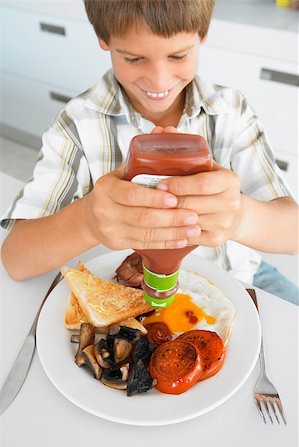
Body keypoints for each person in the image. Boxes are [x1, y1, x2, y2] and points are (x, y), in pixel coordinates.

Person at [0, 0, 298, 305]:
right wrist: (87, 221)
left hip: (240, 276)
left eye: (178, 55)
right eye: (133, 58)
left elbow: (292, 234)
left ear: (202, 34)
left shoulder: (231, 112)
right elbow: (16, 259)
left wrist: (240, 218)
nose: (159, 81)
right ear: (104, 39)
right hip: (129, 289)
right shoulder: (77, 124)